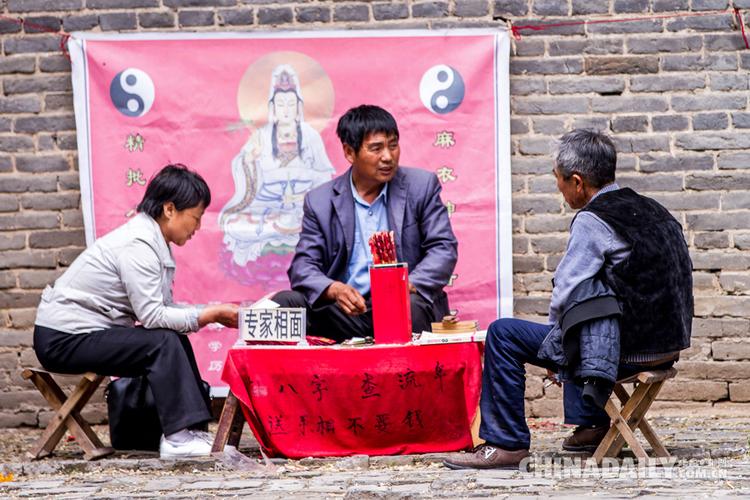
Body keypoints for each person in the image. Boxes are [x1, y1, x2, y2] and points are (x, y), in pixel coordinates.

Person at [443, 129, 693, 470]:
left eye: (559, 180)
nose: (559, 188)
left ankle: (505, 444)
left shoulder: (594, 220)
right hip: (667, 345)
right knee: (588, 316)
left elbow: (567, 287)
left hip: (628, 352)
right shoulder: (653, 209)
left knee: (505, 333)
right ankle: (591, 426)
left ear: (577, 182)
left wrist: (551, 346)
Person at [34, 164, 239, 459]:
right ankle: (178, 439)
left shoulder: (153, 241)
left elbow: (161, 311)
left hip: (89, 332)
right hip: (63, 338)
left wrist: (206, 313)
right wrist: (209, 314)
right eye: (195, 218)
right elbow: (154, 317)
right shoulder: (138, 244)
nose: (197, 228)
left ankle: (191, 431)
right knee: (163, 341)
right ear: (170, 209)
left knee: (172, 338)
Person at [272, 104, 458, 342]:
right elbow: (303, 266)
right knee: (284, 304)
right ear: (350, 153)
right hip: (346, 311)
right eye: (376, 148)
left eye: (393, 145)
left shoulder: (421, 186)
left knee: (411, 305)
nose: (388, 157)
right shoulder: (320, 201)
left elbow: (443, 248)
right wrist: (334, 289)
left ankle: (407, 377)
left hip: (403, 307)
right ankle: (290, 379)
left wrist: (406, 285)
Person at [219, 64, 335, 283]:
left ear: (299, 107)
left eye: (291, 103)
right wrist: (249, 161)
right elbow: (244, 174)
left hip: (304, 210)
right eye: (281, 103)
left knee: (324, 225)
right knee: (235, 224)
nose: (286, 109)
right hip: (268, 208)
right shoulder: (261, 137)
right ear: (272, 107)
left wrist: (303, 191)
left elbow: (324, 177)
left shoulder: (310, 136)